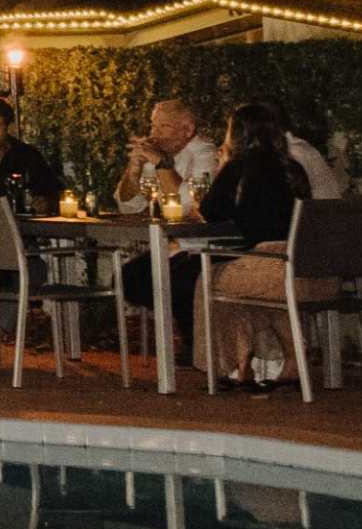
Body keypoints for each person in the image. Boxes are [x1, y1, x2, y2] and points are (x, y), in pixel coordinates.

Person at [200, 99, 317, 388]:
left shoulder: (239, 168)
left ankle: (234, 365)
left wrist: (223, 167)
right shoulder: (293, 168)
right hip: (304, 265)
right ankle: (289, 360)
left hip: (269, 264)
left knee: (212, 278)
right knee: (253, 285)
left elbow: (211, 210)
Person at [114, 99, 220, 213]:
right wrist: (133, 171)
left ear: (188, 129)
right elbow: (129, 208)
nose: (155, 133)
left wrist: (161, 163)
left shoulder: (206, 153)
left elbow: (187, 206)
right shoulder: (156, 152)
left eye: (164, 126)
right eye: (153, 126)